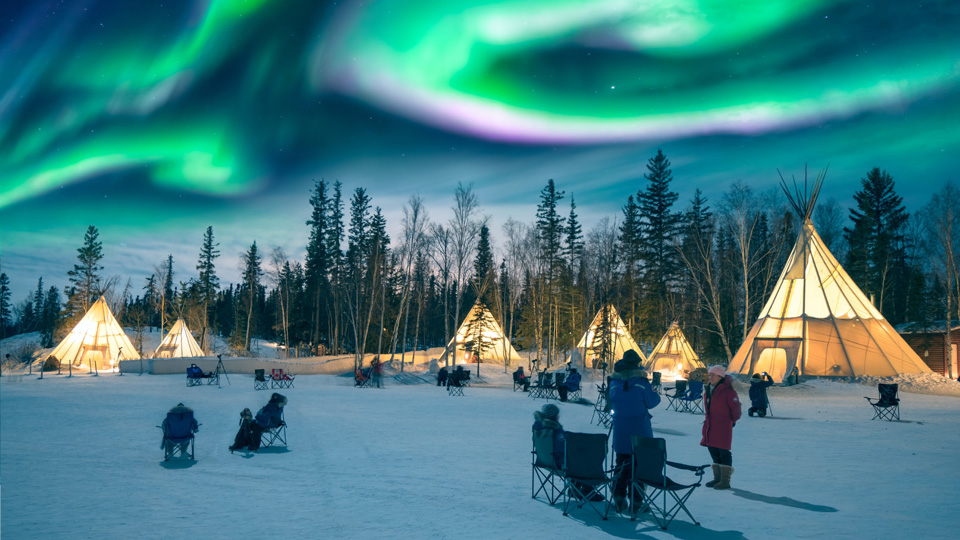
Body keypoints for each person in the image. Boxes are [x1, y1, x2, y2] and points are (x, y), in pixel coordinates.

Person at [609, 349, 661, 513]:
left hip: (620, 430)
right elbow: (653, 401)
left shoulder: (613, 383)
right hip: (640, 430)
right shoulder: (641, 382)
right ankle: (637, 500)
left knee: (621, 463)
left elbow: (610, 402)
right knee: (639, 466)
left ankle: (619, 495)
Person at [701, 365, 741, 490]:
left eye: (713, 375)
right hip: (710, 425)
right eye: (709, 375)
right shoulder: (709, 390)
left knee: (723, 451)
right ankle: (717, 478)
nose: (710, 377)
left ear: (720, 376)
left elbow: (736, 410)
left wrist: (730, 421)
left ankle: (725, 481)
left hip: (723, 426)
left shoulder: (728, 391)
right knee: (713, 450)